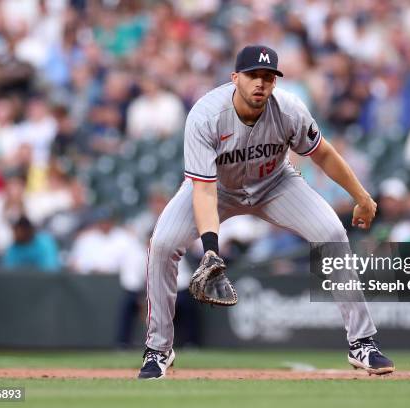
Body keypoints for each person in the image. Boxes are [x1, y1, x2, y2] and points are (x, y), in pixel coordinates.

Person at [138, 45, 394, 380]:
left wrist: (362, 196)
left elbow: (324, 153)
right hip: (217, 188)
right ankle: (158, 349)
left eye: (268, 76)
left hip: (275, 183)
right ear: (235, 79)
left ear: (275, 82)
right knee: (162, 245)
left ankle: (362, 342)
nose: (261, 82)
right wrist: (211, 250)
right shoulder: (205, 116)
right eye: (253, 75)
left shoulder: (289, 110)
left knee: (332, 233)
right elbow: (203, 190)